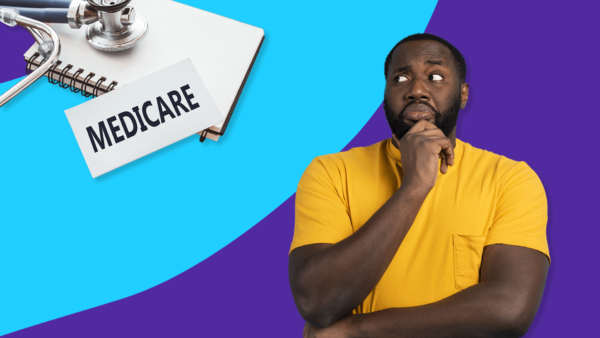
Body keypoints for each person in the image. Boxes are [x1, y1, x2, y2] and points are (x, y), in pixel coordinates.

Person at [288, 33, 550, 338]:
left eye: (435, 76)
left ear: (463, 94)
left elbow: (509, 310)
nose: (416, 90)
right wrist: (413, 187)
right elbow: (317, 301)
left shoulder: (510, 179)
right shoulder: (331, 172)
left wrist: (356, 330)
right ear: (385, 94)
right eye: (400, 78)